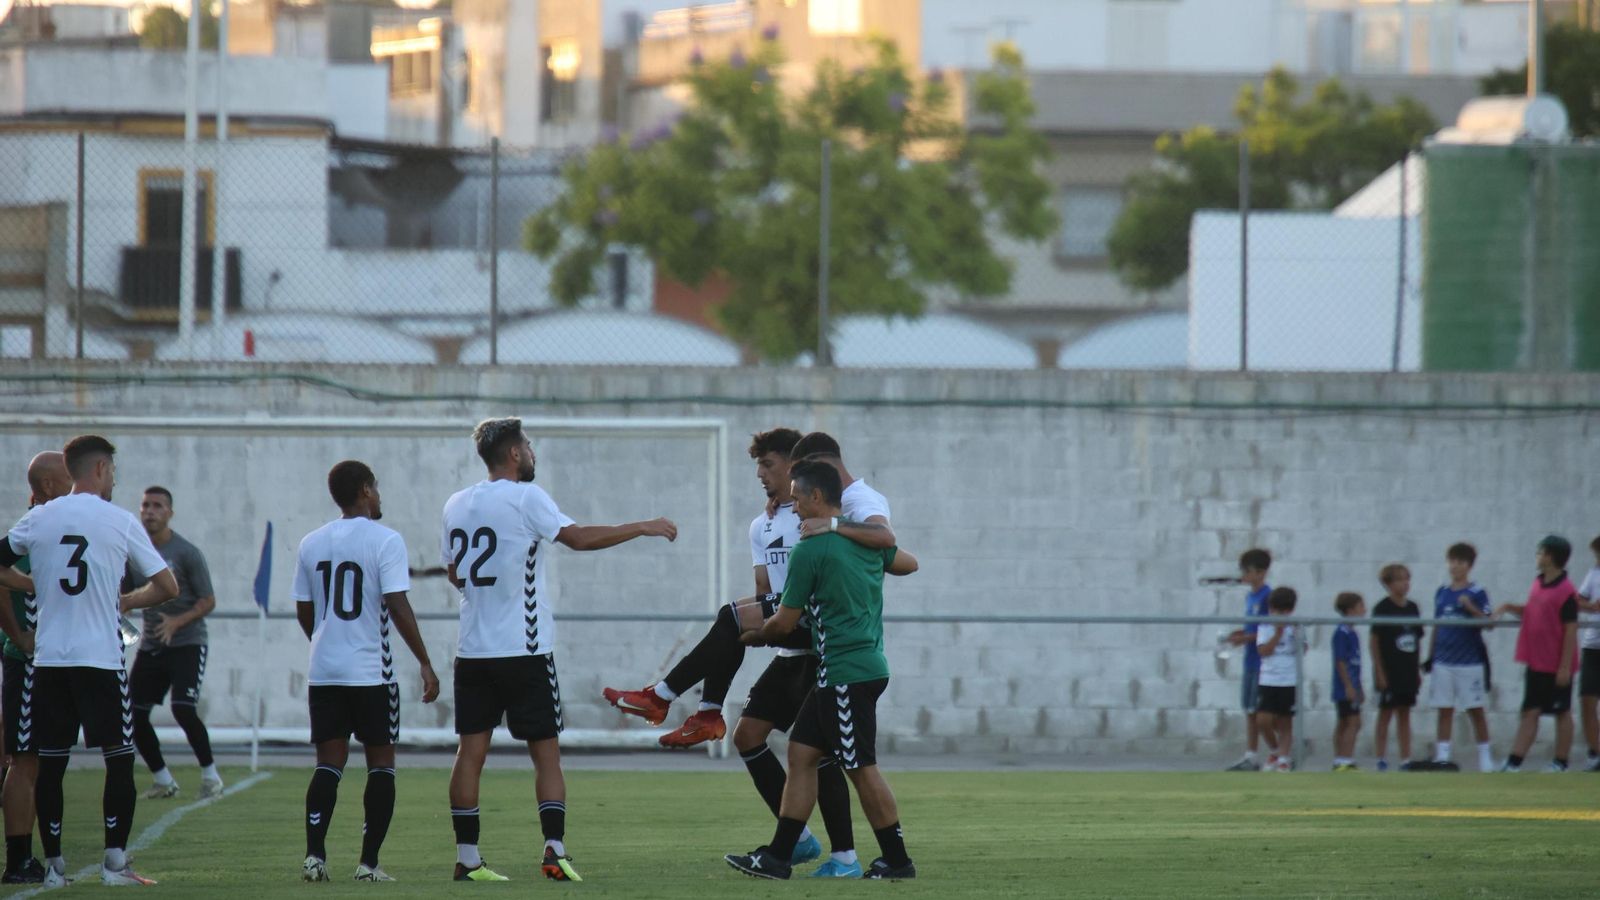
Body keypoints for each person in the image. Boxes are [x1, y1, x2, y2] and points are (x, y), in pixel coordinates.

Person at [443, 417, 676, 883]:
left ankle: (468, 859)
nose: (532, 452)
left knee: (470, 754)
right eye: (527, 445)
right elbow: (578, 538)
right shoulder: (527, 496)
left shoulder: (457, 503)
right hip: (524, 651)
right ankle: (554, 850)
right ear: (513, 454)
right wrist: (643, 526)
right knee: (546, 755)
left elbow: (455, 573)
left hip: (472, 651)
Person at [724, 460, 919, 881]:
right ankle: (778, 857)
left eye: (796, 498)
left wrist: (756, 636)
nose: (792, 507)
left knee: (860, 767)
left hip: (846, 672)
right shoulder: (868, 541)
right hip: (858, 666)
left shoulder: (810, 550)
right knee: (802, 753)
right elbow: (908, 562)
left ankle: (898, 861)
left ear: (816, 497)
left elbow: (785, 620)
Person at [0, 435, 178, 887]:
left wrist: (30, 583)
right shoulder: (119, 521)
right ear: (99, 469)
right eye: (113, 470)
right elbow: (167, 586)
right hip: (100, 659)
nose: (114, 478)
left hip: (51, 662)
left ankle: (55, 866)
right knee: (119, 760)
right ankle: (114, 863)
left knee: (52, 764)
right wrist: (125, 600)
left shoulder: (39, 518)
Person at [294, 460, 439, 882]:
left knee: (328, 765)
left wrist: (325, 638)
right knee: (381, 766)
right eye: (375, 487)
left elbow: (305, 610)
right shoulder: (386, 540)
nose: (378, 494)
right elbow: (396, 605)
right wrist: (425, 663)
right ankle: (368, 864)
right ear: (363, 491)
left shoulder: (311, 542)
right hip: (371, 673)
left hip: (325, 672)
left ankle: (315, 857)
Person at [123, 487, 223, 800]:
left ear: (170, 513)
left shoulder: (187, 553)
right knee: (133, 714)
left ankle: (211, 777)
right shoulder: (133, 553)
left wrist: (176, 622)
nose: (150, 511)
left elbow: (208, 601)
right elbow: (124, 599)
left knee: (183, 708)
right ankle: (163, 780)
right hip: (153, 646)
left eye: (157, 506)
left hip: (188, 644)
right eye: (145, 505)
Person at [0, 452, 69, 884]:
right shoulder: (32, 531)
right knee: (23, 761)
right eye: (67, 478)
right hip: (27, 663)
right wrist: (19, 636)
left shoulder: (53, 528)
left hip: (48, 665)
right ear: (45, 487)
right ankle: (18, 860)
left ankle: (34, 855)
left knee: (38, 760)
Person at [1494, 534, 1579, 772]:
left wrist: (1564, 667)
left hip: (1556, 664)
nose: (1538, 557)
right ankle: (1514, 762)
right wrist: (1508, 607)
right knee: (1530, 711)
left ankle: (1560, 762)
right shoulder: (1538, 582)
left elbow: (1570, 630)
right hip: (1536, 662)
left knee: (1561, 712)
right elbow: (1532, 612)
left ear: (1550, 556)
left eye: (1541, 552)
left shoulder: (1567, 591)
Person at [1426, 543, 1495, 772]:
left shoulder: (1477, 592)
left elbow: (1488, 622)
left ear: (1469, 566)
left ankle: (1485, 757)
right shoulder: (1442, 591)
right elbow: (1437, 625)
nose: (1455, 566)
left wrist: (1471, 607)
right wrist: (1431, 654)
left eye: (1460, 562)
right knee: (1444, 709)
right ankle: (1442, 755)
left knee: (1475, 709)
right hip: (1443, 660)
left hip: (1469, 661)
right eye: (1452, 561)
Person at [1371, 563, 1423, 771]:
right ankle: (1381, 758)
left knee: (1405, 714)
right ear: (1389, 583)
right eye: (1399, 579)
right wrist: (1380, 671)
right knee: (1386, 714)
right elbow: (1374, 641)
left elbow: (1416, 639)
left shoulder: (1413, 608)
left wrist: (1417, 669)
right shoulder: (1382, 608)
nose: (1404, 583)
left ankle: (1405, 759)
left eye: (1406, 579)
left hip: (1408, 670)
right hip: (1389, 670)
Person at [1224, 548, 1272, 771]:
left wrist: (1246, 638)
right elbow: (1252, 627)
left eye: (1248, 571)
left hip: (1263, 663)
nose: (1243, 574)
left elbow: (1267, 630)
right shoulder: (1250, 596)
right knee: (1250, 710)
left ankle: (1283, 749)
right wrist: (1240, 634)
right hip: (1249, 661)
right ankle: (1251, 755)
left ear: (1261, 573)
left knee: (1265, 713)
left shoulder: (1267, 596)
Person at [1254, 587, 1299, 772]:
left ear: (1289, 611)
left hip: (1288, 680)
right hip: (1268, 679)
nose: (1278, 615)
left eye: (1282, 611)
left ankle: (1284, 758)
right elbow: (1263, 651)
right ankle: (1274, 750)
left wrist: (1294, 635)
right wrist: (1277, 634)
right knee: (1263, 720)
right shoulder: (1265, 626)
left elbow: (1302, 649)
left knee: (1285, 721)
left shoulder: (1295, 626)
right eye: (1274, 610)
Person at [1330, 592, 1365, 771]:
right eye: (1361, 606)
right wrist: (1349, 686)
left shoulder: (1353, 633)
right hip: (1344, 687)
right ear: (1351, 610)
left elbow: (1355, 663)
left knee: (1345, 722)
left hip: (1351, 685)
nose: (1364, 610)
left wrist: (1359, 686)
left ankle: (1340, 759)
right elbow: (1340, 661)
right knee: (1353, 722)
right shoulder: (1341, 633)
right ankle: (1344, 759)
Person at [1574, 535, 1600, 771]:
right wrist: (1590, 606)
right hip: (1593, 646)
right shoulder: (1594, 574)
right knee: (1587, 700)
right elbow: (1578, 600)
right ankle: (1596, 753)